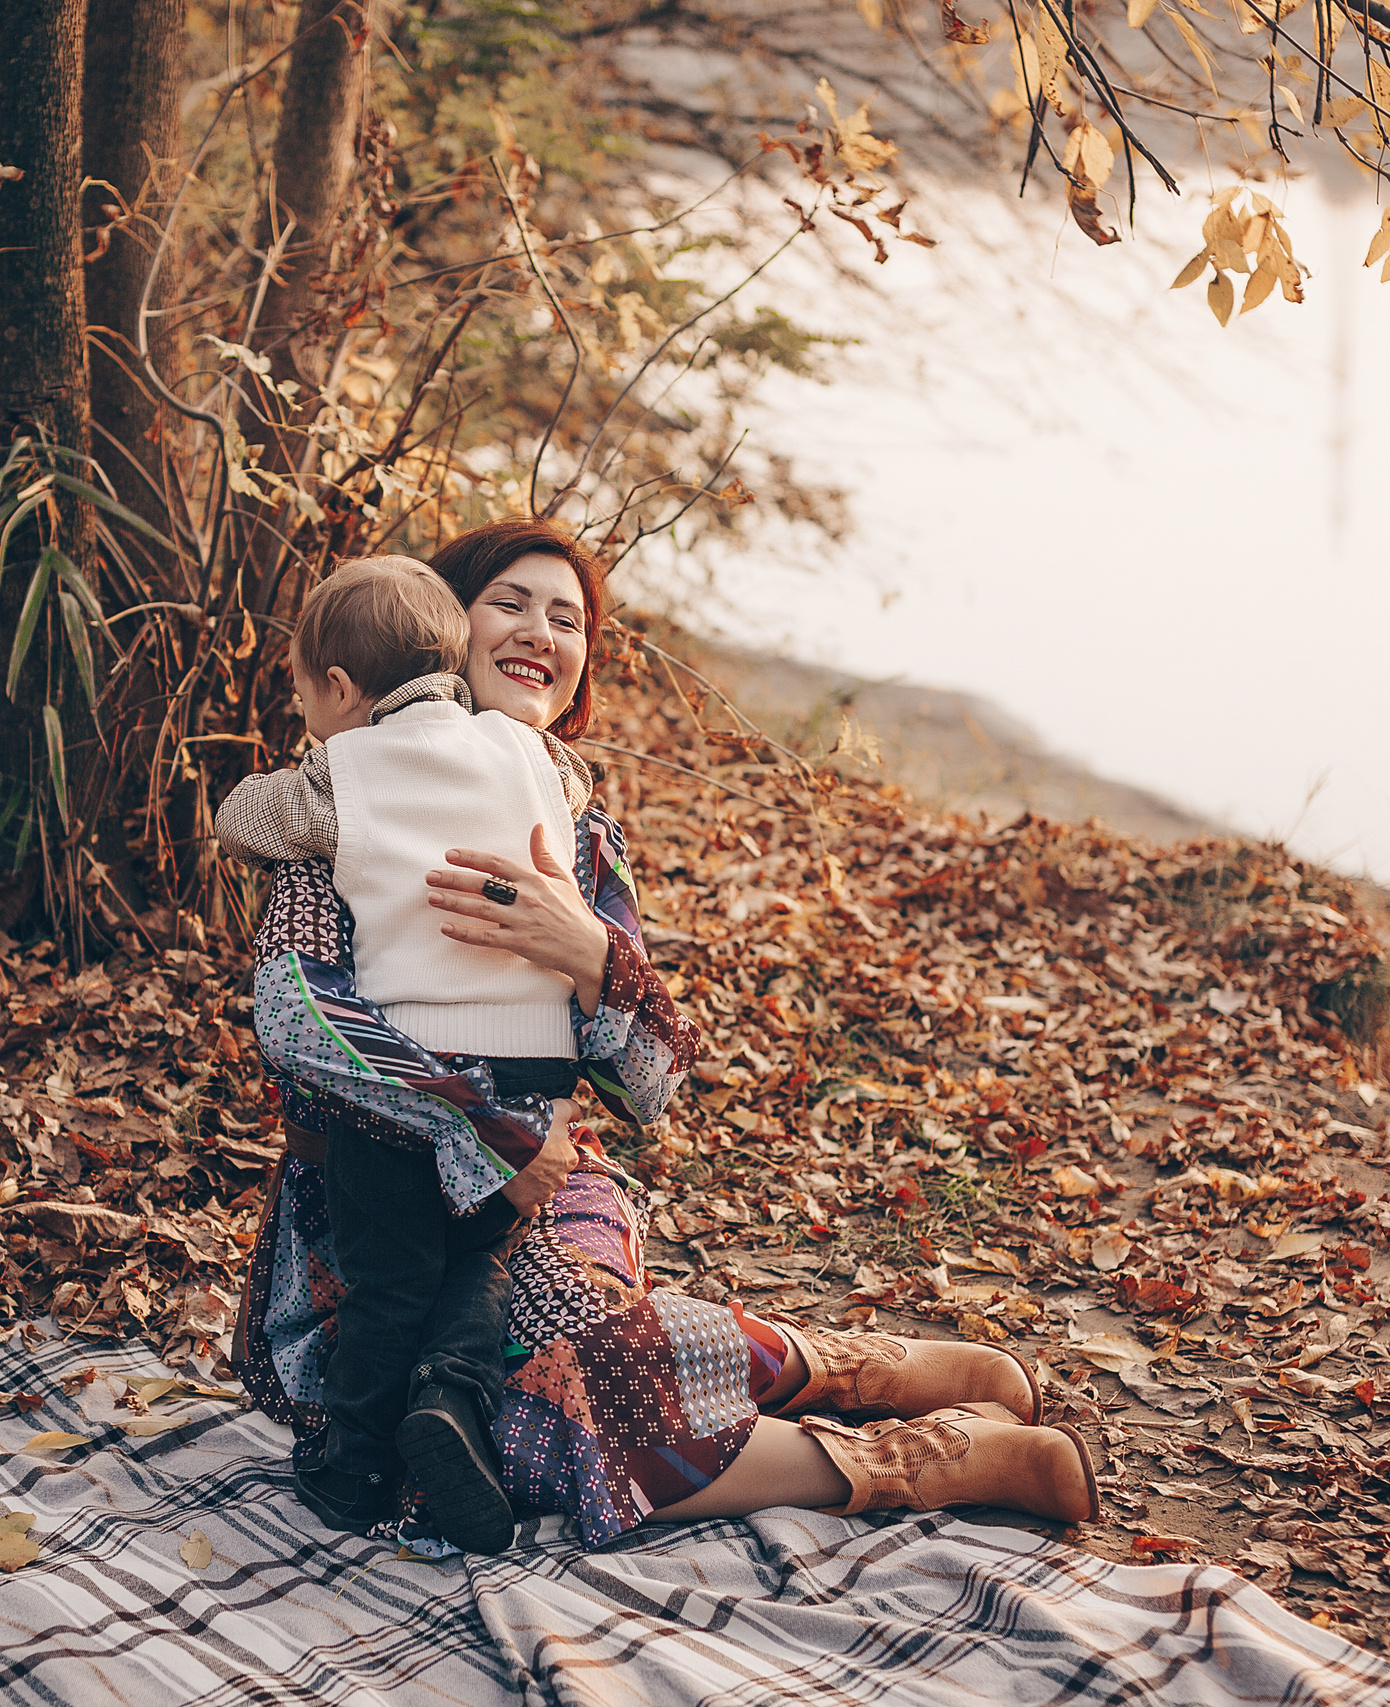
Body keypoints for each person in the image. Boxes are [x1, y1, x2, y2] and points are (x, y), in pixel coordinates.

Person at [235, 519, 1097, 1549]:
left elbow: (652, 1087)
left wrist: (589, 954)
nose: (539, 635)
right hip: (367, 1220)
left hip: (546, 1192)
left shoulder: (575, 824)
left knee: (573, 1363)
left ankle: (862, 1387)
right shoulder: (354, 796)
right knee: (492, 1435)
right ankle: (906, 1446)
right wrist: (480, 1132)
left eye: (568, 620)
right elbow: (295, 1014)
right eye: (508, 603)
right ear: (438, 629)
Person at [214, 555, 597, 1552]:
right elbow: (578, 789)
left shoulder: (343, 772)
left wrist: (298, 782)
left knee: (390, 1272)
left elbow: (242, 822)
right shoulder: (536, 758)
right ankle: (449, 1393)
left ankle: (355, 1467)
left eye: (304, 696)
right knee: (485, 1252)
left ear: (339, 690)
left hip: (403, 1078)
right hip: (534, 1076)